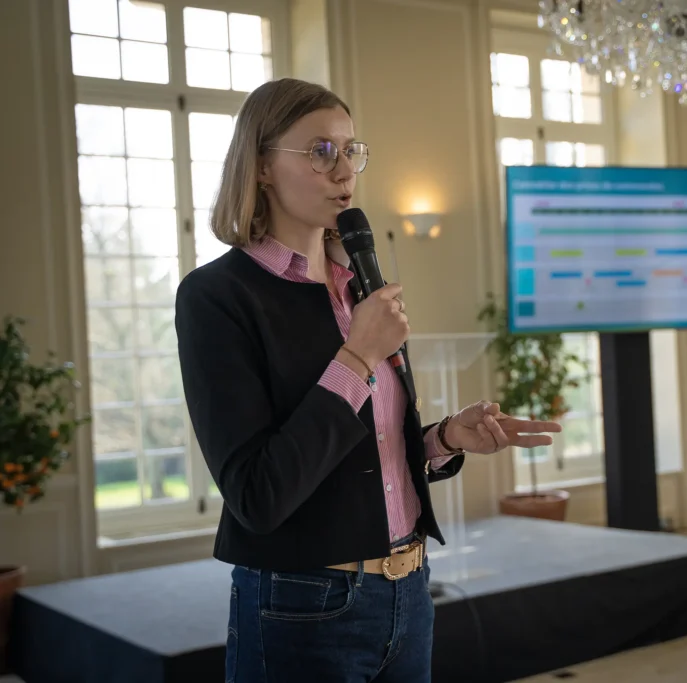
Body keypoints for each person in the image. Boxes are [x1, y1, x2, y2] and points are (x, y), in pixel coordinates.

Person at [174, 77, 561, 683]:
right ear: (264, 167)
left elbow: (371, 455)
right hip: (302, 601)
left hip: (409, 589)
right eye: (320, 151)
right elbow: (257, 494)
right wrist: (356, 357)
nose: (342, 169)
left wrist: (447, 440)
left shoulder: (358, 287)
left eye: (351, 150)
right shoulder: (217, 297)